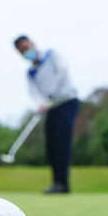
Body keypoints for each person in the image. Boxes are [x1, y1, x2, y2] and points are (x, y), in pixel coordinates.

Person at [13, 35, 80, 194]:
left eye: (26, 47)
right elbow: (34, 92)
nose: (26, 51)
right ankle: (57, 182)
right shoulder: (31, 73)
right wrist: (41, 103)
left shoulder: (52, 55)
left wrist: (51, 95)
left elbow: (63, 71)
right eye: (22, 51)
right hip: (51, 107)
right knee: (51, 145)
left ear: (32, 44)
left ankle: (63, 184)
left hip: (67, 101)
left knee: (62, 142)